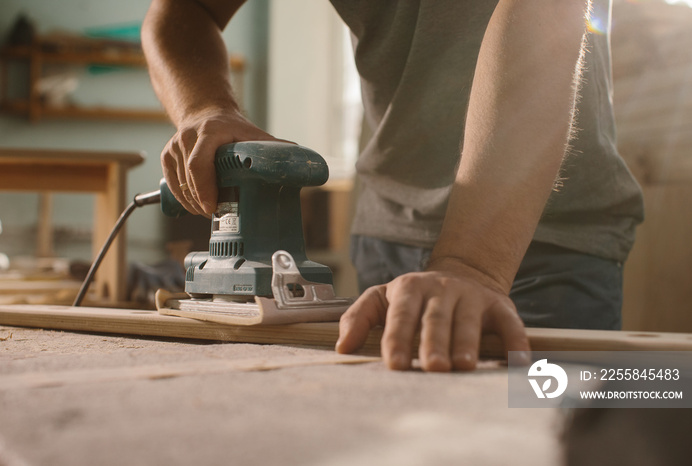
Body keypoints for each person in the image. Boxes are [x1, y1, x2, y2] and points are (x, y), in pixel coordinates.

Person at [142, 0, 644, 372]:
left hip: (540, 240)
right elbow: (183, 13)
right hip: (388, 234)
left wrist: (473, 266)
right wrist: (206, 108)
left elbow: (546, 11)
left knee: (542, 436)